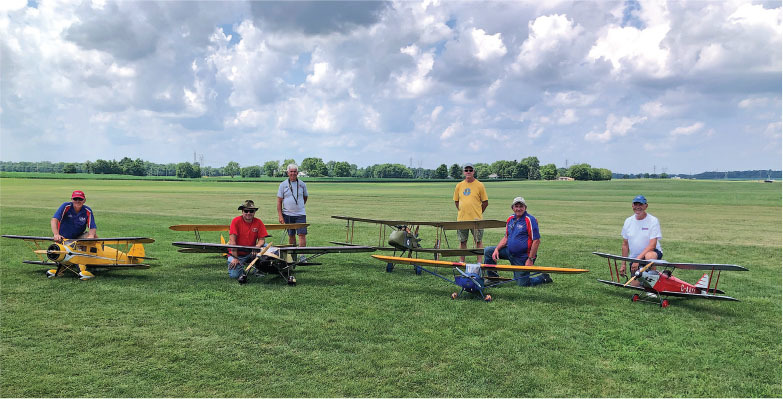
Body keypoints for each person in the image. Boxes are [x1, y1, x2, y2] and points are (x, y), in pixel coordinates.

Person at [483, 197, 552, 286]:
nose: (518, 209)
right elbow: (506, 237)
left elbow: (536, 241)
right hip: (509, 252)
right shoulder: (510, 219)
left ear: (525, 208)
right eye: (516, 206)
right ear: (512, 208)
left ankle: (543, 278)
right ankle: (493, 279)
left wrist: (530, 259)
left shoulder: (530, 220)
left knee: (522, 284)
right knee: (488, 251)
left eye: (521, 206)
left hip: (522, 257)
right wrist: (496, 249)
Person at [49, 190, 98, 278]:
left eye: (80, 199)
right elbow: (54, 220)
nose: (78, 201)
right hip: (64, 239)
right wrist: (56, 234)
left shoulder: (87, 210)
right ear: (72, 199)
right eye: (75, 199)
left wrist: (91, 236)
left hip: (78, 239)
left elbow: (92, 227)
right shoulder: (66, 206)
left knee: (94, 236)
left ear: (84, 200)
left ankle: (92, 262)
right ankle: (67, 263)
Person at [620, 195, 663, 279]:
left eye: (640, 205)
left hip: (652, 253)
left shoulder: (653, 220)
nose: (638, 207)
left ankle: (653, 281)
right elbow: (625, 244)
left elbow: (652, 245)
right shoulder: (628, 221)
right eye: (635, 204)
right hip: (634, 257)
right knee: (635, 285)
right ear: (632, 205)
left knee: (649, 256)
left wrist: (637, 260)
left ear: (646, 206)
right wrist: (623, 264)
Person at [453, 162, 488, 262]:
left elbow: (485, 202)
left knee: (478, 241)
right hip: (462, 219)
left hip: (477, 219)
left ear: (474, 171)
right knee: (462, 241)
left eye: (470, 170)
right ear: (463, 172)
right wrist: (462, 210)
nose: (468, 172)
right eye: (466, 170)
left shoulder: (480, 185)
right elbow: (456, 201)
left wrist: (478, 212)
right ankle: (462, 261)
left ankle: (479, 262)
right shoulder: (459, 185)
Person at [227, 200, 269, 280]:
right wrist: (235, 258)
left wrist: (257, 246)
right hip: (237, 253)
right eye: (246, 211)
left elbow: (262, 240)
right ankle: (241, 267)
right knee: (235, 276)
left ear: (254, 212)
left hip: (251, 252)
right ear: (242, 212)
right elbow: (232, 241)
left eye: (251, 211)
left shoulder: (259, 222)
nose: (248, 213)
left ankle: (258, 269)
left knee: (267, 247)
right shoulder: (235, 221)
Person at [277, 163, 308, 247]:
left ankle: (302, 255)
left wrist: (299, 206)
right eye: (291, 171)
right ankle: (292, 254)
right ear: (288, 173)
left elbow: (305, 197)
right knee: (291, 235)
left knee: (302, 235)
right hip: (287, 214)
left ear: (297, 173)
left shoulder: (302, 184)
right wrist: (280, 216)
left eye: (295, 171)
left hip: (300, 214)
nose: (293, 173)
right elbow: (279, 201)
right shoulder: (282, 185)